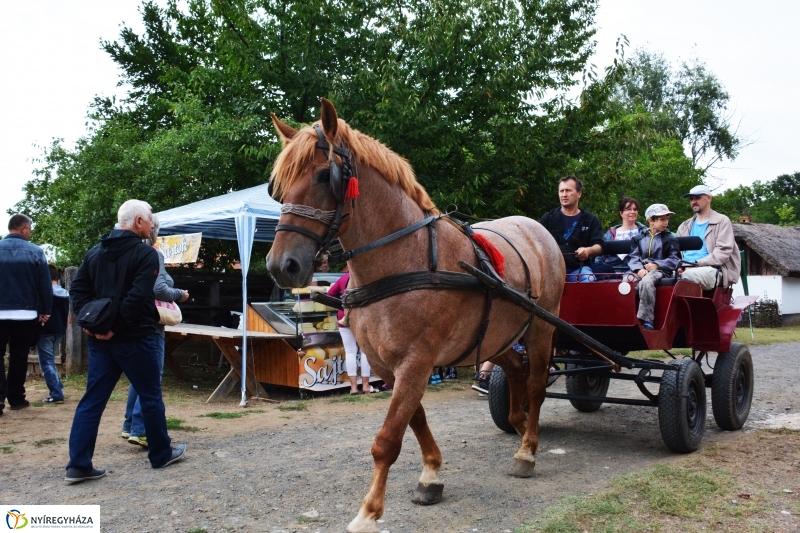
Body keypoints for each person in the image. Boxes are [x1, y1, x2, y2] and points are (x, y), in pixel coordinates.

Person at [66, 200, 185, 483]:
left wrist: (90, 324)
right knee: (150, 396)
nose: (152, 225)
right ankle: (160, 454)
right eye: (150, 219)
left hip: (101, 341)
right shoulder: (144, 254)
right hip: (135, 338)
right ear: (139, 221)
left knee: (92, 401)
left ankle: (78, 465)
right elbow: (137, 297)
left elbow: (77, 290)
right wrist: (112, 328)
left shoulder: (95, 253)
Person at [122, 214, 189, 447]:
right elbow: (159, 289)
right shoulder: (152, 254)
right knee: (151, 377)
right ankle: (140, 429)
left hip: (131, 322)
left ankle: (130, 424)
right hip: (151, 323)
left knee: (138, 377)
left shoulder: (125, 254)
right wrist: (180, 294)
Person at [0, 214, 52, 416]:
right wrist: (45, 310)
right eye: (29, 228)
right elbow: (44, 285)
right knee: (19, 356)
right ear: (22, 229)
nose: (30, 232)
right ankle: (17, 398)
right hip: (26, 312)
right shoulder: (36, 252)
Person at [540, 175, 604, 282]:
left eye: (568, 190)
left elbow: (599, 246)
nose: (564, 194)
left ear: (579, 194)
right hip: (551, 271)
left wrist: (588, 250)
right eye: (561, 191)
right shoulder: (547, 218)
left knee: (590, 280)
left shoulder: (591, 219)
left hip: (579, 269)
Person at [676, 185, 741, 290]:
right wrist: (680, 266)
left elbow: (723, 253)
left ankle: (691, 306)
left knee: (689, 276)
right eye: (691, 199)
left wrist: (695, 264)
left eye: (697, 198)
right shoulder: (684, 226)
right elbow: (675, 253)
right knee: (655, 277)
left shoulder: (722, 221)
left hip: (714, 269)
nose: (693, 201)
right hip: (685, 269)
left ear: (709, 198)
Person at [628, 204, 681, 330]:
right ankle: (626, 318)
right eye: (662, 219)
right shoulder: (638, 238)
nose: (666, 222)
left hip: (662, 271)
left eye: (667, 219)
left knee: (647, 282)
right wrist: (638, 269)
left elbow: (675, 259)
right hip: (641, 271)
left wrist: (658, 265)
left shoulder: (670, 239)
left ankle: (647, 320)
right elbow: (633, 257)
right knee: (626, 282)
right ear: (651, 220)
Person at [327, 269, 373, 394]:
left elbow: (330, 294)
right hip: (361, 317)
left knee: (350, 351)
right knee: (365, 351)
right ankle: (365, 385)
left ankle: (353, 387)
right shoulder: (364, 276)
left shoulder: (343, 278)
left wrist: (341, 302)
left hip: (344, 316)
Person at [37, 264, 69, 404]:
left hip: (45, 331)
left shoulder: (45, 294)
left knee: (46, 363)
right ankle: (57, 387)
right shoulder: (64, 293)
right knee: (49, 361)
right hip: (59, 331)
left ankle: (56, 393)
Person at [593, 197, 647, 276]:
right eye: (628, 209)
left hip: (636, 269)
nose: (632, 212)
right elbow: (600, 254)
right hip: (611, 270)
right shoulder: (610, 233)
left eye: (635, 209)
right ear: (621, 213)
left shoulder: (645, 232)